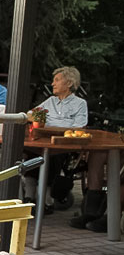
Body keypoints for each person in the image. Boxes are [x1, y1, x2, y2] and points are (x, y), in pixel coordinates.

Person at [22, 66, 88, 212]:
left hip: (63, 144)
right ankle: (29, 197)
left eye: (57, 80)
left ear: (69, 83)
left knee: (52, 156)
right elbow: (30, 114)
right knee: (32, 153)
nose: (53, 84)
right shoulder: (50, 101)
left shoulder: (80, 104)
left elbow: (79, 127)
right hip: (43, 140)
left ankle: (46, 201)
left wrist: (51, 125)